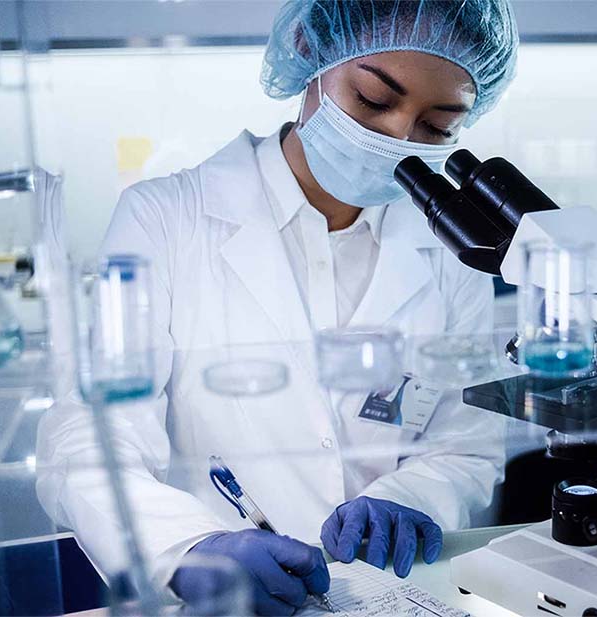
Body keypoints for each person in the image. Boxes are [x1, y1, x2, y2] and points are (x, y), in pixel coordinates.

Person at [36, 1, 518, 614]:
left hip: (393, 598)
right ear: (309, 53)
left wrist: (412, 501)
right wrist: (189, 549)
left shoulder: (454, 249)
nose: (396, 137)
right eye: (373, 100)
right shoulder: (165, 217)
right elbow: (90, 434)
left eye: (437, 125)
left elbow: (465, 443)